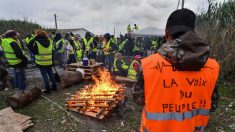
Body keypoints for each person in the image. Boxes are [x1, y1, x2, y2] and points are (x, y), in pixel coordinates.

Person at [132, 9, 220, 131]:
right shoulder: (212, 67)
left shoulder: (148, 65)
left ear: (166, 33)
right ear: (193, 33)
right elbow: (213, 105)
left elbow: (138, 99)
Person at [28, 29, 57, 94]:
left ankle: (48, 89)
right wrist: (52, 61)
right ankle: (54, 87)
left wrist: (34, 38)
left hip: (41, 62)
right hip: (49, 61)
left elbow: (29, 46)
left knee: (45, 76)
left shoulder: (37, 42)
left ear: (37, 35)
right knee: (51, 74)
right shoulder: (50, 41)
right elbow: (53, 51)